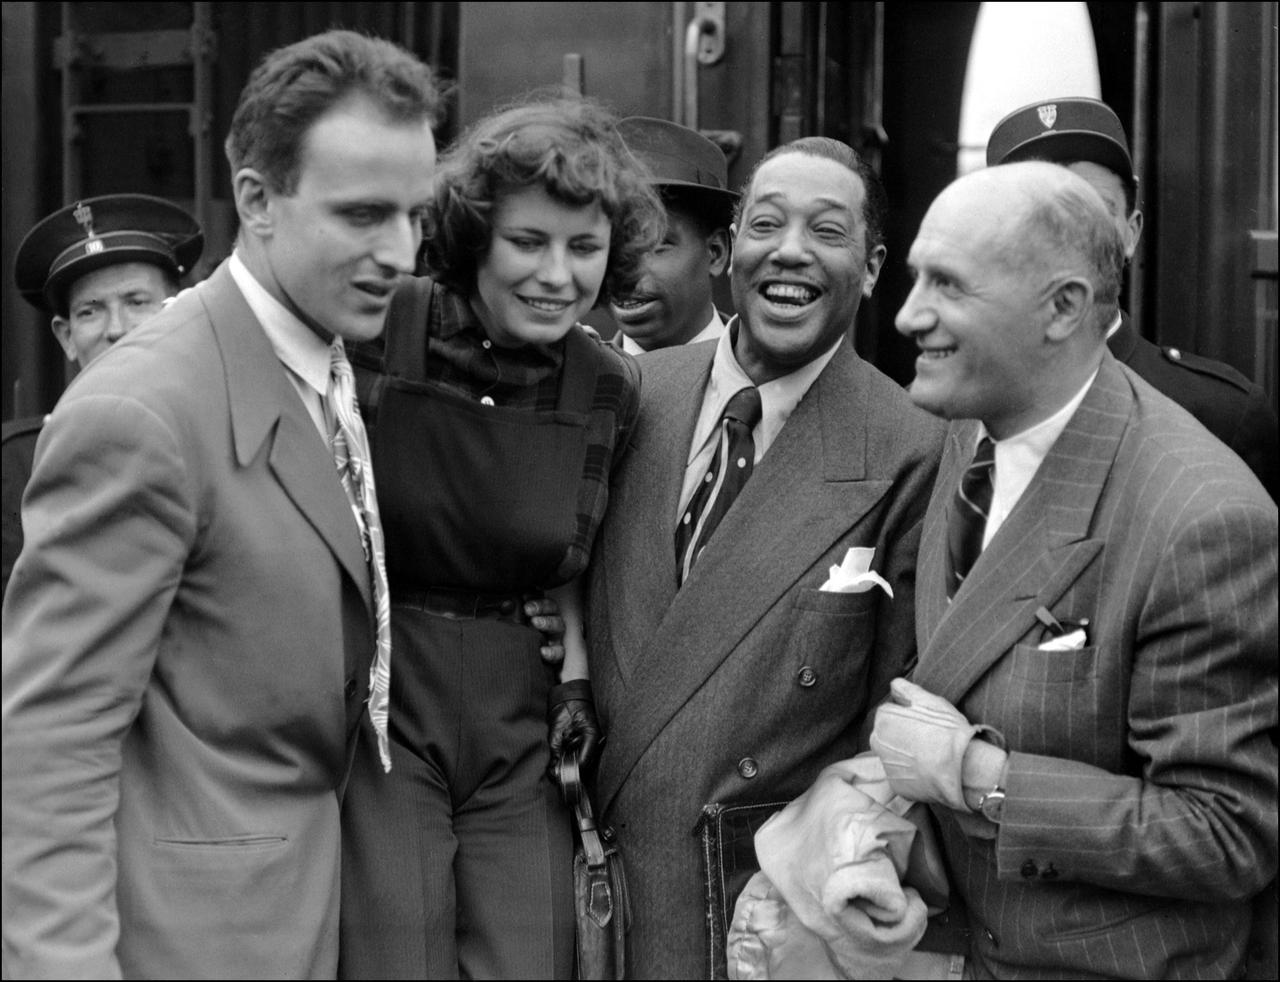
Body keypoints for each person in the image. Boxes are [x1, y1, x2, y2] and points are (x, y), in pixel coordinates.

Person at [1, 30, 439, 978]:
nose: (399, 252)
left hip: (310, 910)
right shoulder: (139, 411)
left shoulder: (321, 349)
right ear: (255, 201)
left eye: (415, 215)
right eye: (364, 213)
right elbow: (48, 750)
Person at [871, 161, 1277, 978]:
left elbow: (1228, 833)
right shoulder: (972, 424)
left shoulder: (1200, 519)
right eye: (916, 277)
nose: (910, 314)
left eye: (948, 285)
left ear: (1063, 309)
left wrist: (976, 776)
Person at [584, 136, 946, 978]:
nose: (790, 252)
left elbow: (894, 720)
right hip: (587, 898)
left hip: (753, 911)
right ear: (731, 247)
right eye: (767, 224)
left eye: (827, 231)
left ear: (873, 265)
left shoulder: (913, 448)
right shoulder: (632, 395)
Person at [338, 96, 664, 980]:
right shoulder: (373, 330)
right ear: (475, 236)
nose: (558, 275)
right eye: (530, 242)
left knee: (533, 959)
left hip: (521, 723)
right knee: (392, 953)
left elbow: (579, 561)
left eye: (584, 248)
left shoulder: (608, 388)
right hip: (379, 707)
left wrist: (578, 678)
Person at [987, 96, 1279, 500]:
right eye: (1035, 212)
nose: (1066, 233)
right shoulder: (962, 411)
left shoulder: (1220, 415)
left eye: (1092, 208)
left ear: (1131, 232)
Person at [2, 193, 203, 596]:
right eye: (90, 311)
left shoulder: (227, 442)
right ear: (66, 336)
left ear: (179, 315)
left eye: (137, 301)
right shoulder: (14, 468)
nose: (117, 328)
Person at [608, 116, 734, 353]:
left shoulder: (764, 379)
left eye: (656, 245)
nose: (623, 270)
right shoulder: (573, 381)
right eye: (610, 244)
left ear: (716, 253)